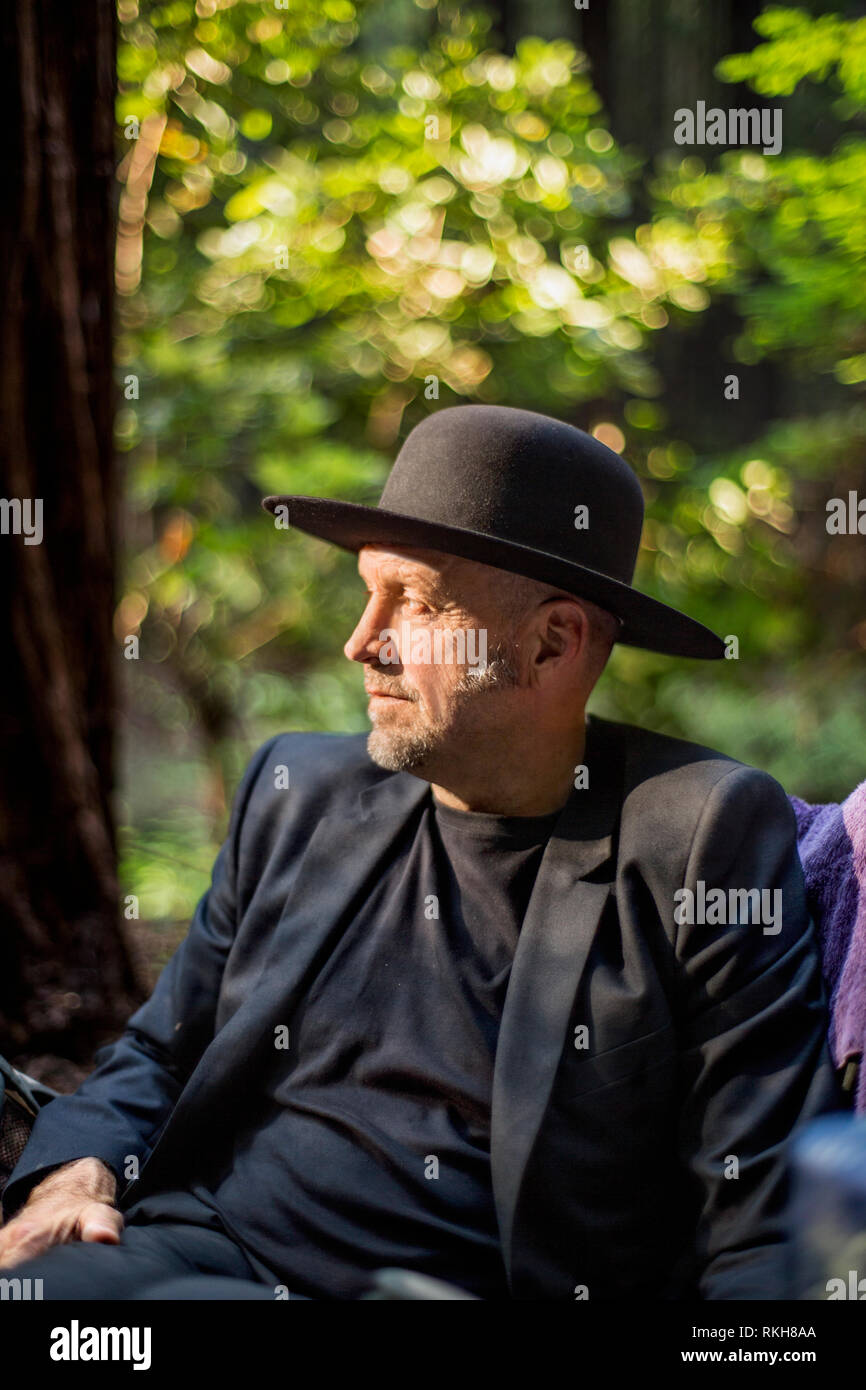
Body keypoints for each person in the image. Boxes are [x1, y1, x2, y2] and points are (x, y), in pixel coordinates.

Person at [0, 405, 844, 1300]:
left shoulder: (698, 837)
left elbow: (763, 1210)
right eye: (368, 593)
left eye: (418, 601)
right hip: (199, 1247)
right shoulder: (294, 791)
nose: (364, 641)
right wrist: (80, 1164)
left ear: (552, 643)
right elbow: (163, 1051)